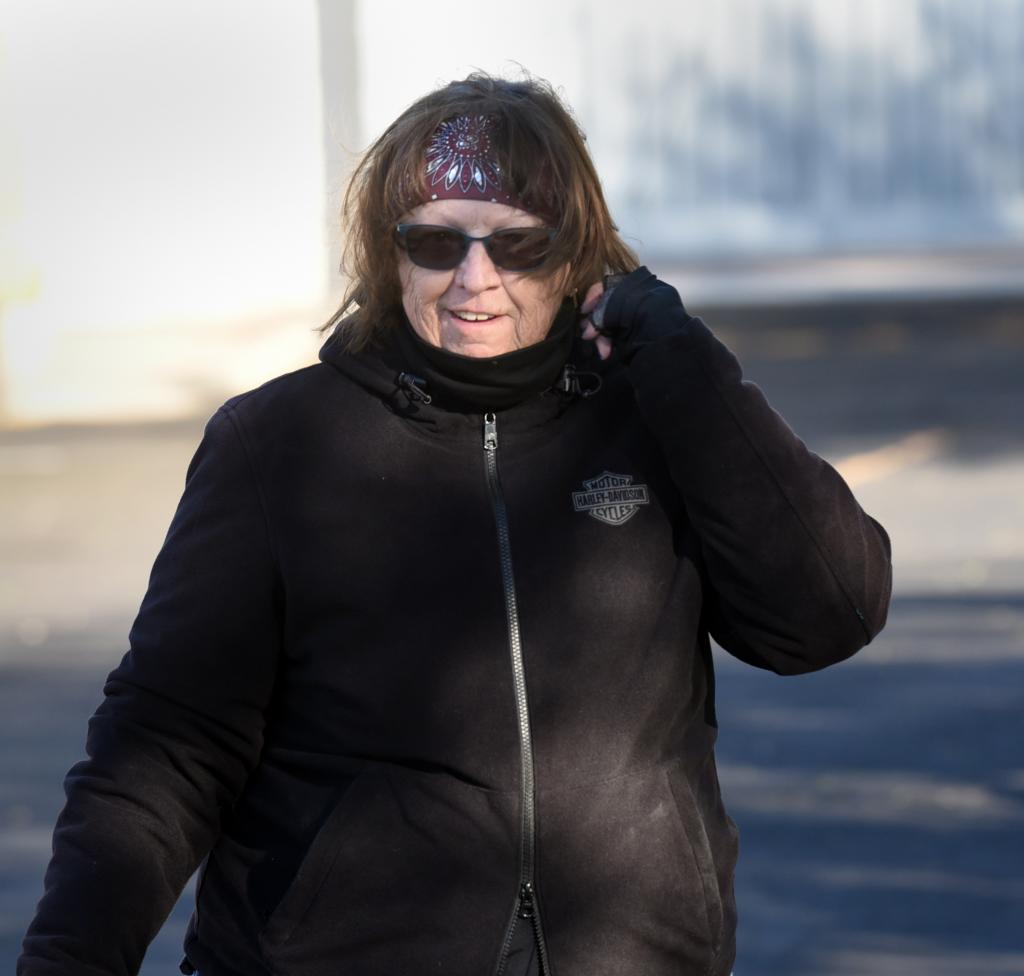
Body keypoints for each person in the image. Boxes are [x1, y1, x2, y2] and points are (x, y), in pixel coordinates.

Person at [19, 73, 891, 976]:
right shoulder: (278, 444)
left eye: (519, 245)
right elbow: (167, 745)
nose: (476, 280)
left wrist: (686, 368)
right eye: (436, 243)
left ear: (574, 255)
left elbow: (827, 617)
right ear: (388, 254)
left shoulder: (654, 413)